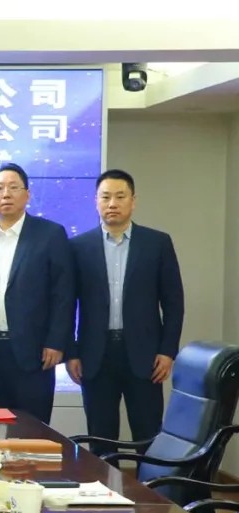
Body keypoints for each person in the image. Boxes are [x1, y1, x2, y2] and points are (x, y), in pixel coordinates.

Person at [67, 169, 184, 456]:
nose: (112, 204)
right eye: (105, 197)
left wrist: (168, 351)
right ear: (96, 201)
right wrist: (72, 352)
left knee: (148, 435)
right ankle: (104, 487)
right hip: (95, 356)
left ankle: (152, 485)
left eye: (120, 196)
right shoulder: (78, 247)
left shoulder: (157, 243)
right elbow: (66, 304)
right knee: (100, 438)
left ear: (133, 201)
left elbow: (173, 302)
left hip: (146, 356)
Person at [0, 163, 74, 424]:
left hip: (35, 351)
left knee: (34, 428)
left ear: (27, 195)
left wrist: (57, 342)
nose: (6, 194)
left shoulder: (50, 234)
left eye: (13, 187)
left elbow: (63, 294)